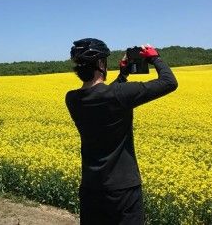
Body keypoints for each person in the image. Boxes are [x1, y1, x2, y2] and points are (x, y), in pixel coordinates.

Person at [65, 38, 178, 225]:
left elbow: (104, 96)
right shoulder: (119, 94)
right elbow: (169, 82)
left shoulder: (72, 99)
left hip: (91, 187)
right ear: (101, 64)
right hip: (122, 189)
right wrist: (155, 58)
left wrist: (123, 75)